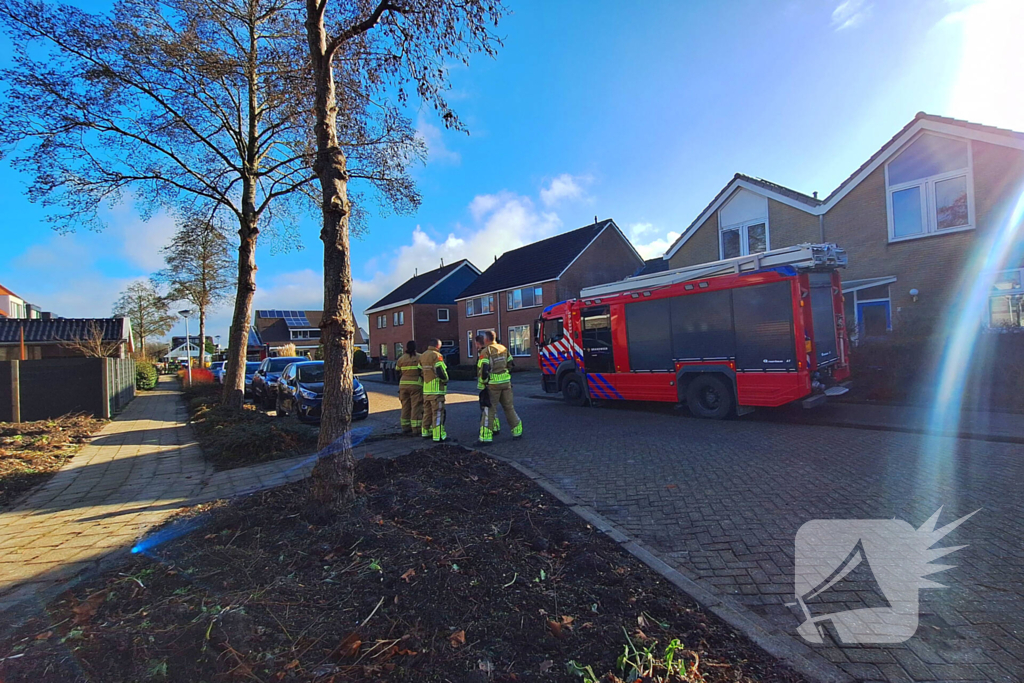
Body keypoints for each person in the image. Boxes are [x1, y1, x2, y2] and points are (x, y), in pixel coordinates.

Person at [476, 330, 521, 444]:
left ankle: (485, 437)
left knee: (489, 409)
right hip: (506, 383)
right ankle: (517, 431)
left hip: (493, 385)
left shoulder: (486, 351)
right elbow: (511, 363)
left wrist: (484, 382)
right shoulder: (503, 348)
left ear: (486, 339)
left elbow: (484, 369)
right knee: (509, 407)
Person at [420, 338, 449, 442]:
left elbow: (420, 371)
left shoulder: (422, 355)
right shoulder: (436, 356)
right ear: (438, 346)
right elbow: (440, 370)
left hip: (426, 390)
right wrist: (445, 379)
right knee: (438, 413)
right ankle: (438, 436)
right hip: (436, 390)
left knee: (427, 412)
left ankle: (425, 432)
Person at [395, 340, 422, 435]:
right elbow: (423, 371)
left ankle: (405, 427)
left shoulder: (401, 359)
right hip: (416, 385)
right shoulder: (419, 357)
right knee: (416, 406)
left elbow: (397, 371)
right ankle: (416, 428)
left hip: (403, 385)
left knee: (405, 406)